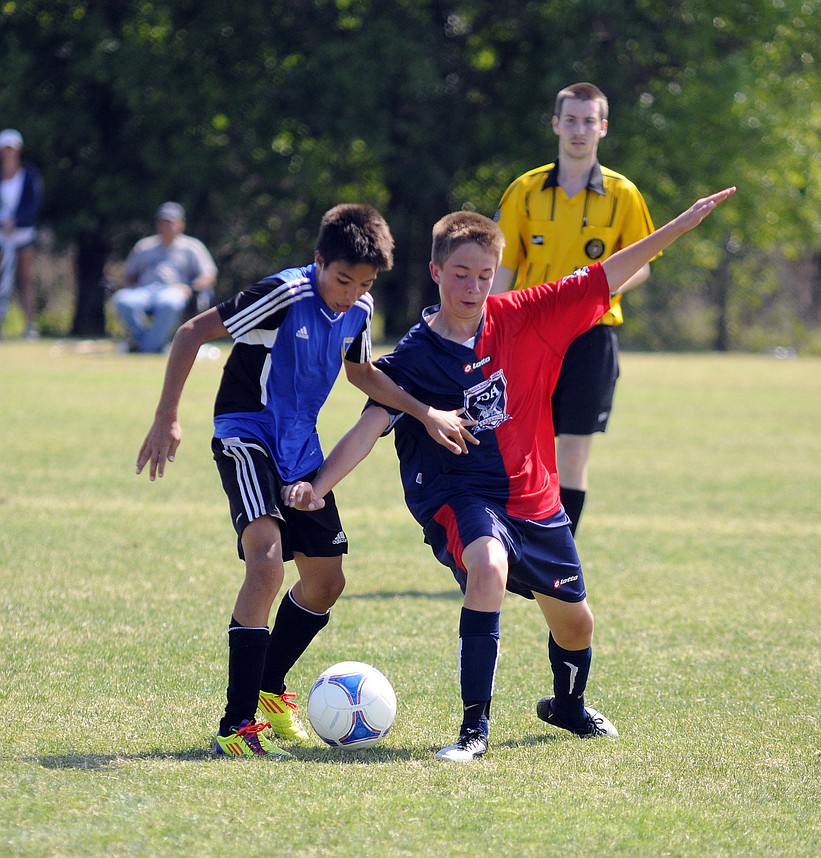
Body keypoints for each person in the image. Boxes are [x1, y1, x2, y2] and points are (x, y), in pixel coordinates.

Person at [284, 187, 736, 762]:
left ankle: (567, 707)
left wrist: (684, 223)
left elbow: (607, 274)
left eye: (484, 276)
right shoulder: (417, 355)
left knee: (576, 627)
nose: (472, 289)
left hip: (534, 496)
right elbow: (370, 425)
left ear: (497, 275)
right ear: (436, 271)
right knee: (488, 565)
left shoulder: (525, 316)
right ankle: (474, 730)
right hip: (459, 494)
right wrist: (317, 486)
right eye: (461, 275)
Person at [135, 203, 475, 759]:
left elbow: (363, 373)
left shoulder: (360, 309)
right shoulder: (285, 294)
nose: (349, 293)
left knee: (325, 581)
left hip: (300, 451)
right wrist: (167, 416)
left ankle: (268, 690)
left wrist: (424, 411)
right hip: (246, 436)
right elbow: (192, 332)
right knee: (266, 565)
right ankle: (236, 723)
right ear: (319, 262)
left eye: (362, 283)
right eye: (341, 279)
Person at [492, 83, 656, 535]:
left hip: (591, 336)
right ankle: (511, 546)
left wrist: (599, 287)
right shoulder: (524, 190)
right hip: (529, 334)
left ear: (602, 128)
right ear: (555, 124)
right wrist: (485, 329)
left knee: (574, 452)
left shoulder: (623, 194)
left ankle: (558, 557)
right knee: (521, 445)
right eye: (571, 120)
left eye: (589, 121)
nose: (579, 130)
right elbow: (500, 268)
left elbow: (641, 266)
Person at [112, 202, 218, 353]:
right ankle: (151, 345)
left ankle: (144, 348)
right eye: (162, 222)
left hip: (174, 290)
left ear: (180, 224)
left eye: (170, 222)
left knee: (169, 302)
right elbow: (129, 274)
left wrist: (191, 287)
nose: (165, 226)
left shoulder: (192, 247)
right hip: (145, 290)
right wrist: (130, 285)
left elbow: (209, 275)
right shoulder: (144, 246)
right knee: (122, 300)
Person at [0, 129, 42, 340]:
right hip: (1, 234)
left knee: (24, 280)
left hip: (22, 232)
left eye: (11, 149)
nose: (8, 153)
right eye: (5, 149)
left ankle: (29, 325)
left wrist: (15, 220)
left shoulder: (29, 173)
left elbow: (32, 203)